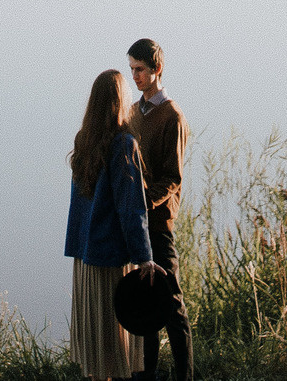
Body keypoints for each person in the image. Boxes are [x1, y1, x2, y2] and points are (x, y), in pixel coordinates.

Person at [64, 68, 157, 381]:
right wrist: (144, 256)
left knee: (94, 343)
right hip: (112, 258)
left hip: (85, 255)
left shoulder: (84, 140)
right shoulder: (123, 145)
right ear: (120, 101)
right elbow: (133, 209)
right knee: (114, 343)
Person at [125, 38, 193, 381]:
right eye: (132, 69)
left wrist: (142, 201)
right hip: (137, 222)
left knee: (172, 305)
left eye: (140, 70)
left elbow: (172, 178)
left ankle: (184, 376)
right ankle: (147, 373)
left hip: (159, 222)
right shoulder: (134, 113)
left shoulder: (172, 116)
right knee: (143, 305)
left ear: (157, 70)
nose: (135, 76)